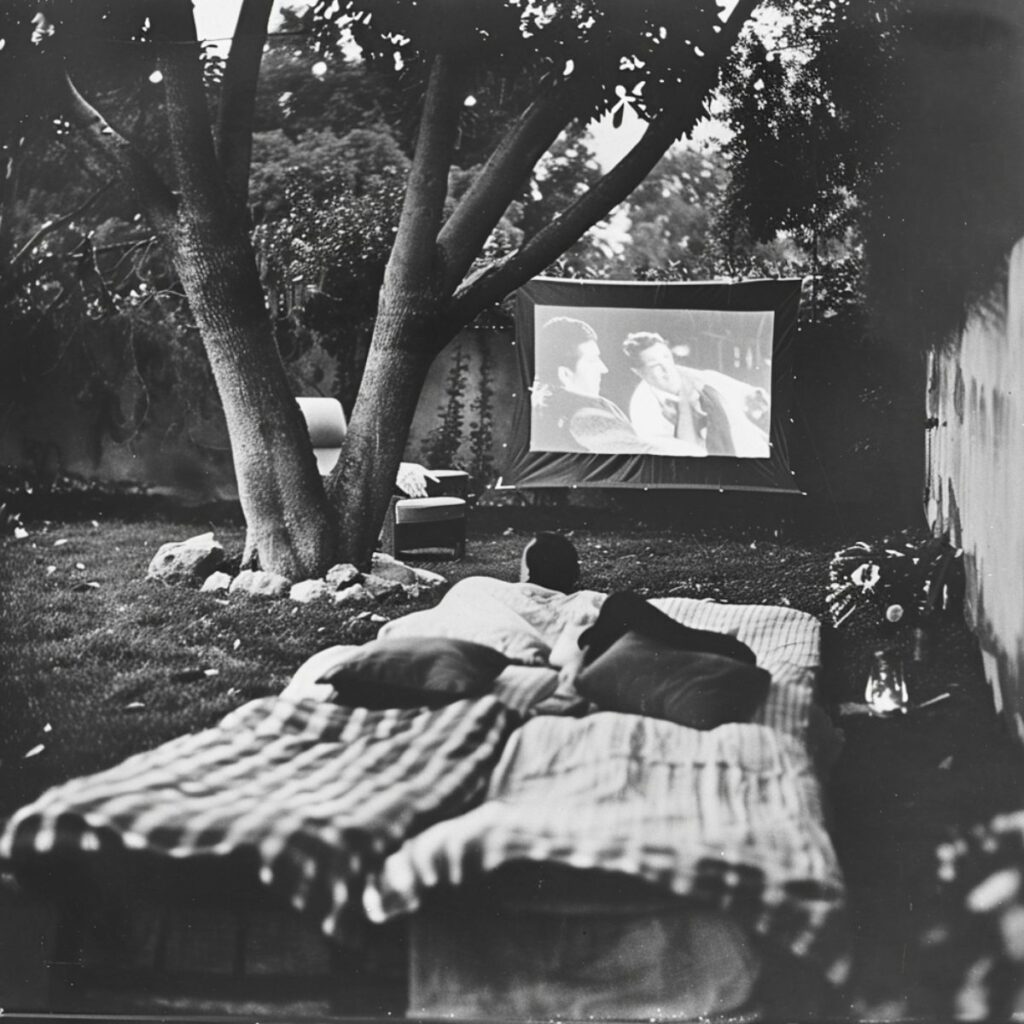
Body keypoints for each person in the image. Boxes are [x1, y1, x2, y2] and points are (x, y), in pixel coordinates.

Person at [622, 332, 770, 458]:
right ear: (639, 372)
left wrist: (755, 397)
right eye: (655, 366)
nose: (667, 368)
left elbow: (748, 394)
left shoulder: (699, 377)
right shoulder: (643, 410)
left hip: (754, 451)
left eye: (666, 357)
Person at [531, 317, 656, 454]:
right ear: (565, 374)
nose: (603, 368)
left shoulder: (539, 407)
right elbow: (647, 458)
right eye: (592, 360)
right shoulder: (587, 418)